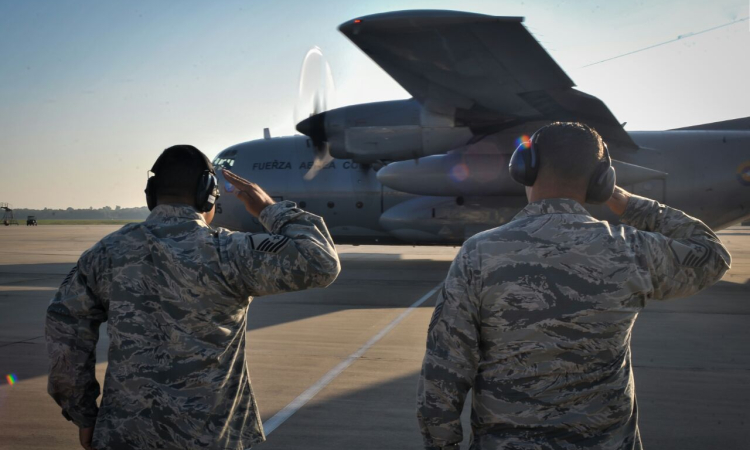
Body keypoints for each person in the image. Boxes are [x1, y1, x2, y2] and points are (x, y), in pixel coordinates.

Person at [416, 122, 731, 450]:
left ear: (525, 167)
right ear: (600, 181)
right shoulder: (630, 249)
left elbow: (444, 371)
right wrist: (624, 201)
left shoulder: (480, 253)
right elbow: (712, 254)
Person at [46, 145, 340, 450]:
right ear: (208, 195)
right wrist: (268, 207)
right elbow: (321, 262)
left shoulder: (105, 253)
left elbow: (64, 330)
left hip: (124, 435)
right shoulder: (229, 251)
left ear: (151, 194)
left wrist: (83, 414)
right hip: (211, 437)